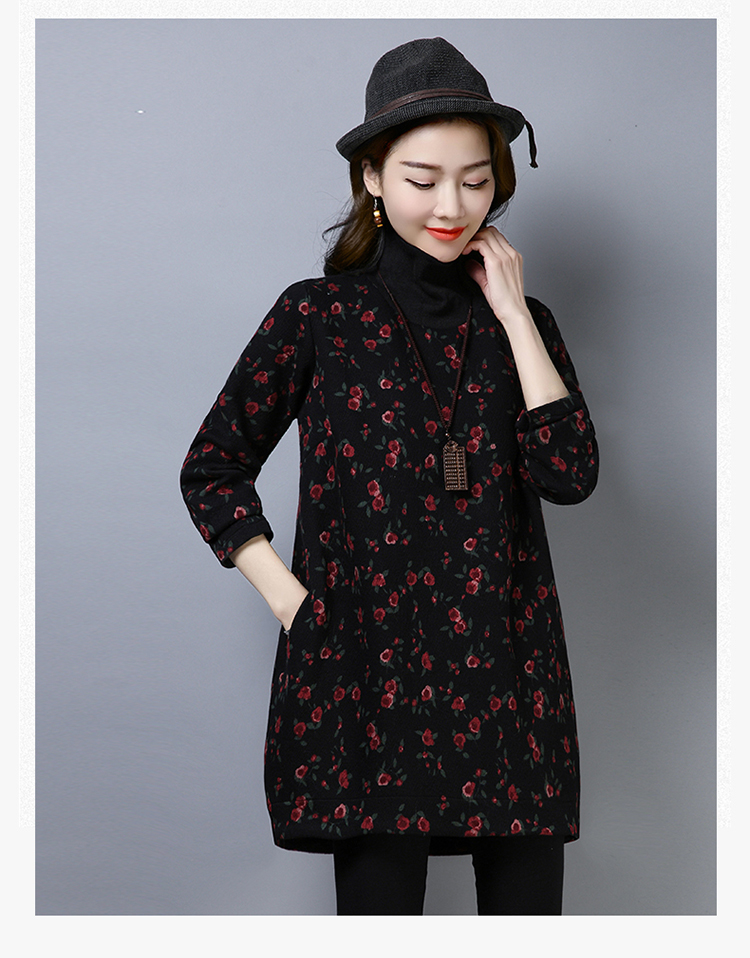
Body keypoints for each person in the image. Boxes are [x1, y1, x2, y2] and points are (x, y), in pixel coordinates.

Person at [180, 37, 599, 915]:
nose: (452, 205)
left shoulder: (526, 325)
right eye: (422, 179)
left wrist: (514, 315)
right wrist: (294, 604)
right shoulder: (317, 316)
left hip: (508, 677)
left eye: (476, 181)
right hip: (367, 676)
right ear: (372, 177)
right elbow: (213, 469)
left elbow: (569, 475)